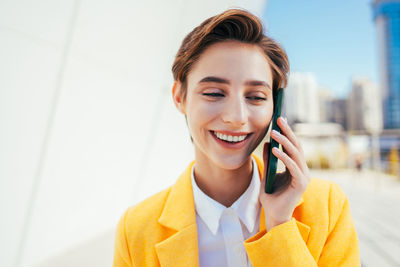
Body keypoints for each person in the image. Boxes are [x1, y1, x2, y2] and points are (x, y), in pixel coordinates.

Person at [113, 8, 360, 267]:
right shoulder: (136, 230)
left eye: (255, 97)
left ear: (275, 107)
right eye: (214, 93)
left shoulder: (327, 208)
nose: (236, 117)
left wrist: (280, 226)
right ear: (179, 97)